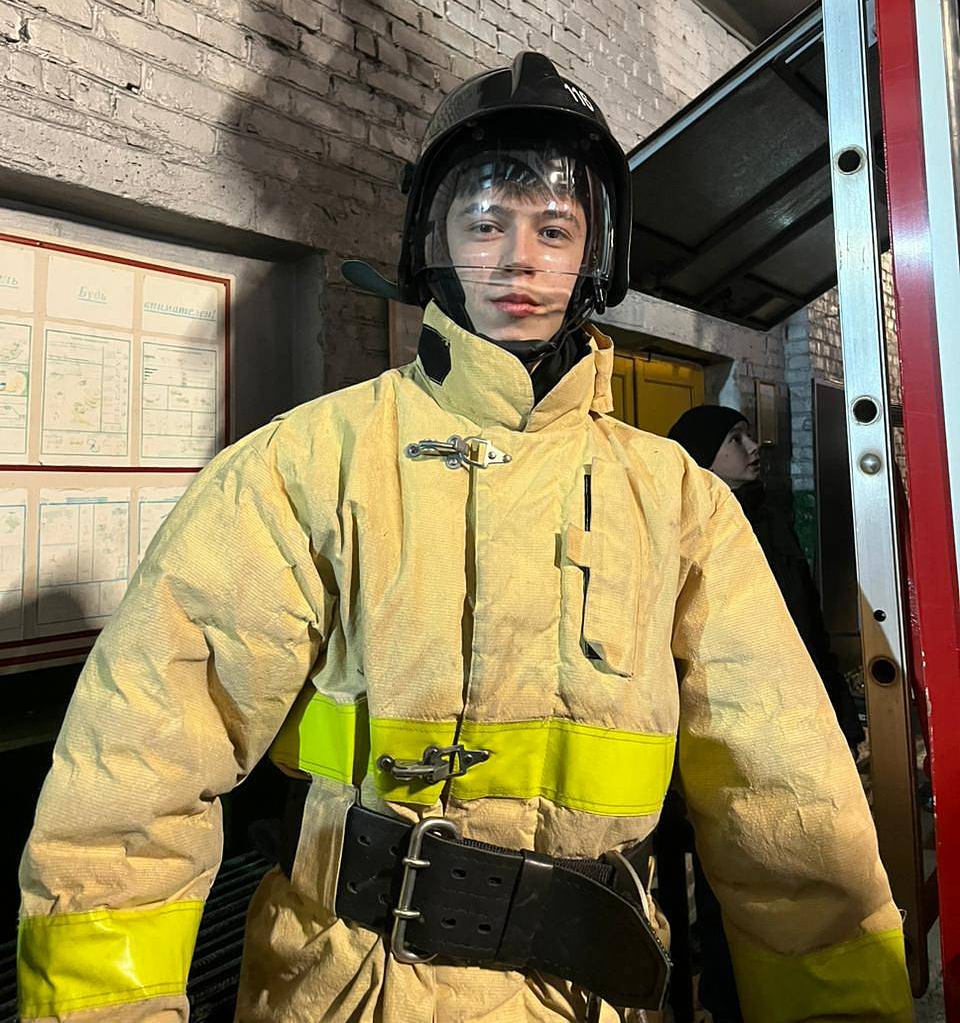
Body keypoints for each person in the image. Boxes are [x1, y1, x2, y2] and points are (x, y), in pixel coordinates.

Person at [18, 53, 910, 1023]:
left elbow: (791, 810)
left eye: (554, 229)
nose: (519, 259)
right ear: (433, 241)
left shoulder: (678, 502)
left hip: (590, 993)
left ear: (596, 256)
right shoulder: (302, 468)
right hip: (347, 991)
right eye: (485, 223)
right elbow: (131, 785)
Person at [667, 404, 866, 1023]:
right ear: (703, 453)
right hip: (713, 731)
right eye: (735, 438)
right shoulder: (676, 529)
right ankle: (716, 997)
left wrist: (842, 717)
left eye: (749, 434)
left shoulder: (767, 520)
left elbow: (806, 627)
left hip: (784, 721)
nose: (753, 447)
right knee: (720, 871)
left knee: (785, 864)